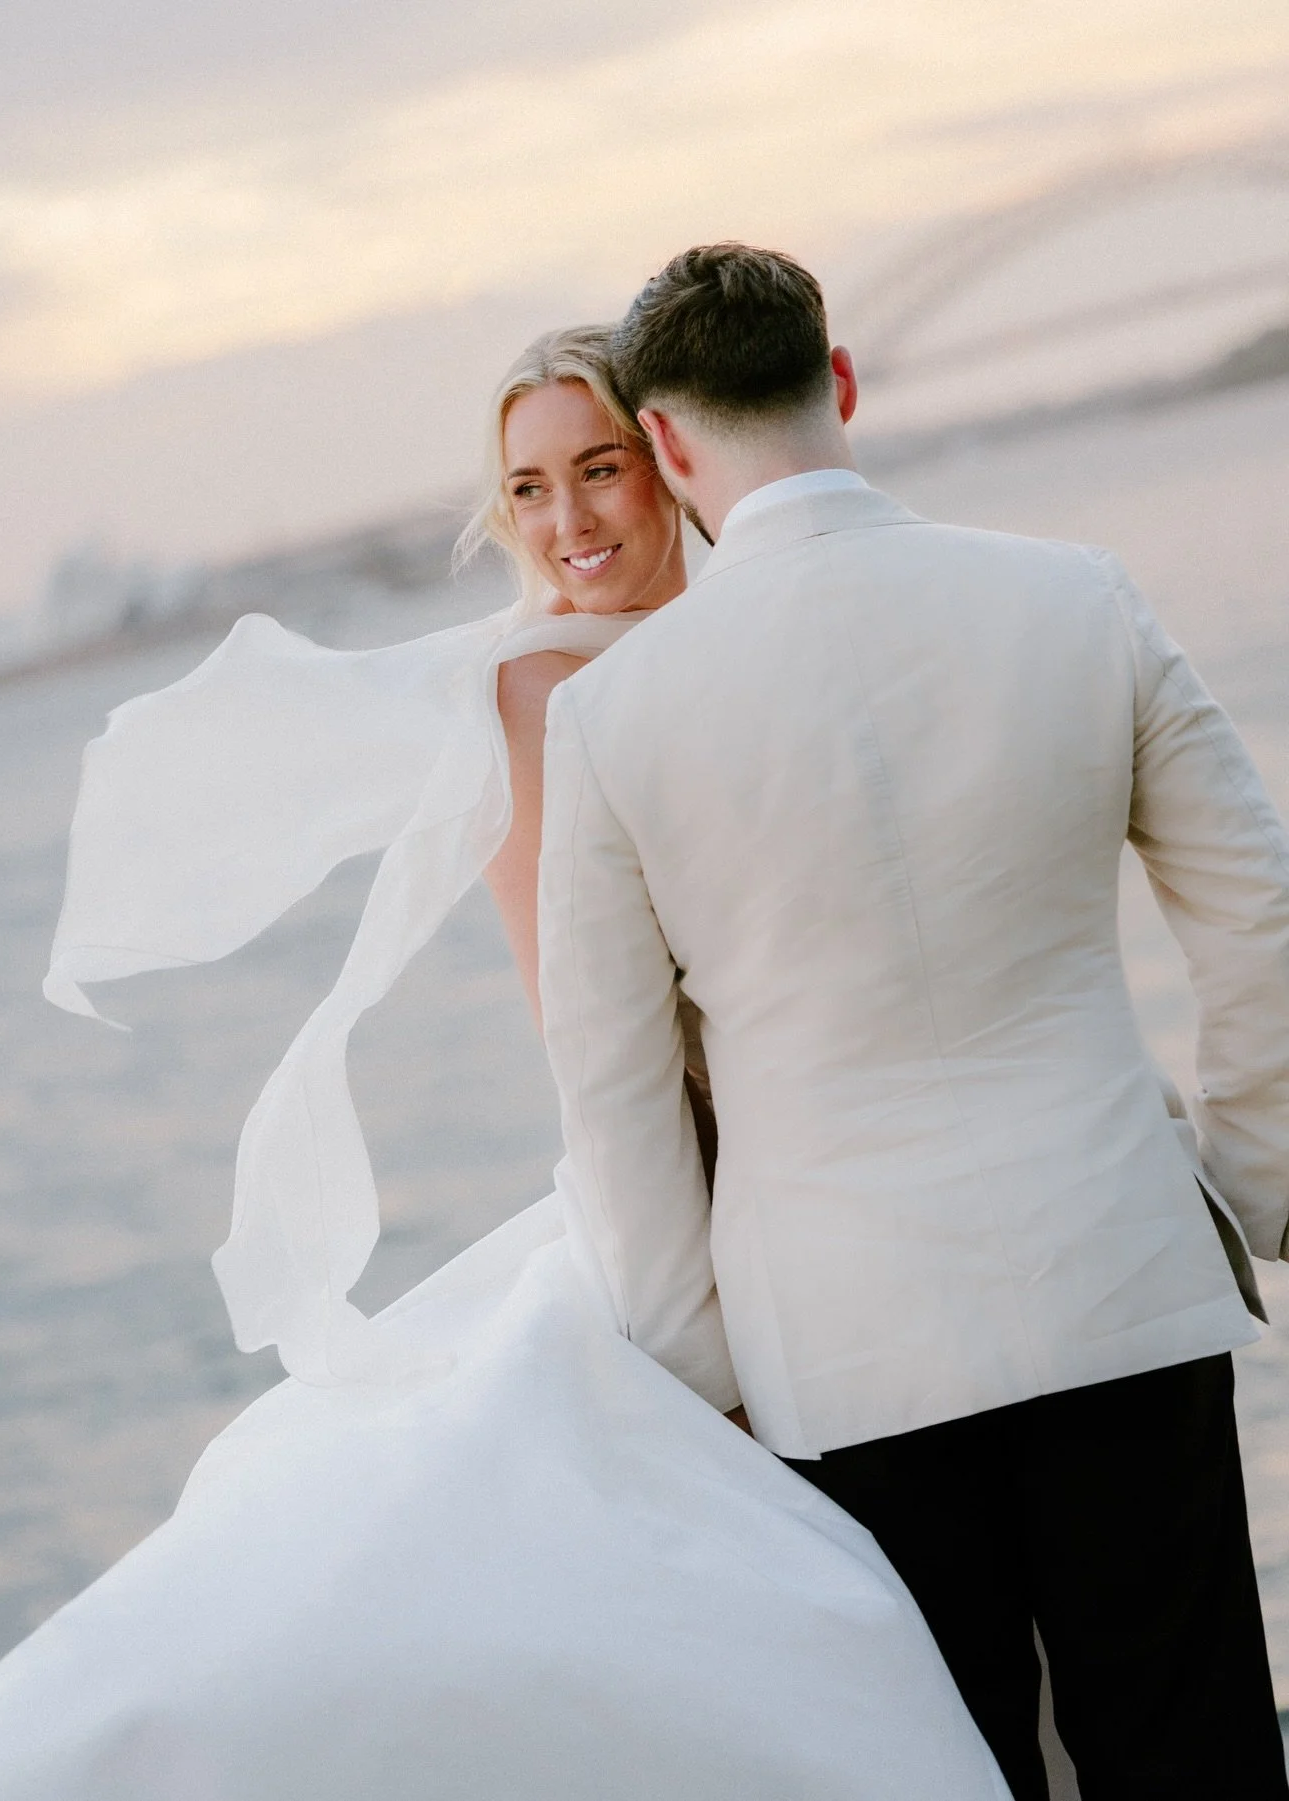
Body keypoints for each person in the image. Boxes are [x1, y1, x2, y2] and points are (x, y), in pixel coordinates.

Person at [0, 327, 1010, 1801]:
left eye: (597, 470)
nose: (569, 522)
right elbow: (586, 1037)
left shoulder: (768, 635)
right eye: (529, 489)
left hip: (856, 1201)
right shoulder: (535, 693)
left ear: (668, 458)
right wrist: (703, 1322)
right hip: (701, 1220)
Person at [535, 242, 1289, 1801]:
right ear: (844, 384)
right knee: (1194, 1755)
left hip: (840, 1355)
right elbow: (1260, 917)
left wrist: (704, 1373)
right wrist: (1258, 1184)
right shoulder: (1074, 597)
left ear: (666, 447)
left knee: (951, 1772)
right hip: (1118, 1277)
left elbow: (610, 1091)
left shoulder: (614, 719)